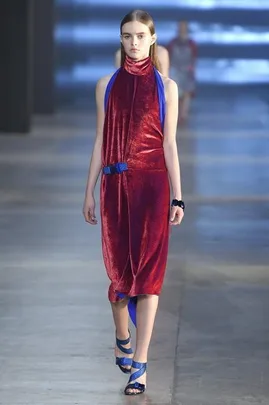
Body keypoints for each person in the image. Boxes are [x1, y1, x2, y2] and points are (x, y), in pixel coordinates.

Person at [83, 9, 184, 396]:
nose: (134, 43)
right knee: (119, 282)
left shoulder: (166, 87)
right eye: (127, 36)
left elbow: (169, 144)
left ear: (152, 39)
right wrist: (88, 189)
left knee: (150, 280)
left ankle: (139, 365)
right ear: (121, 39)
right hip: (115, 188)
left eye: (141, 35)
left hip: (153, 188)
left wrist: (178, 196)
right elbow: (98, 139)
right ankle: (122, 335)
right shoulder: (106, 85)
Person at [167, 21, 197, 123]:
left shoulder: (191, 44)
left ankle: (184, 114)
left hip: (187, 70)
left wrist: (192, 70)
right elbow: (169, 56)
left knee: (187, 93)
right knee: (176, 94)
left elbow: (194, 58)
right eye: (180, 27)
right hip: (175, 71)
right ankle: (177, 114)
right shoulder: (172, 43)